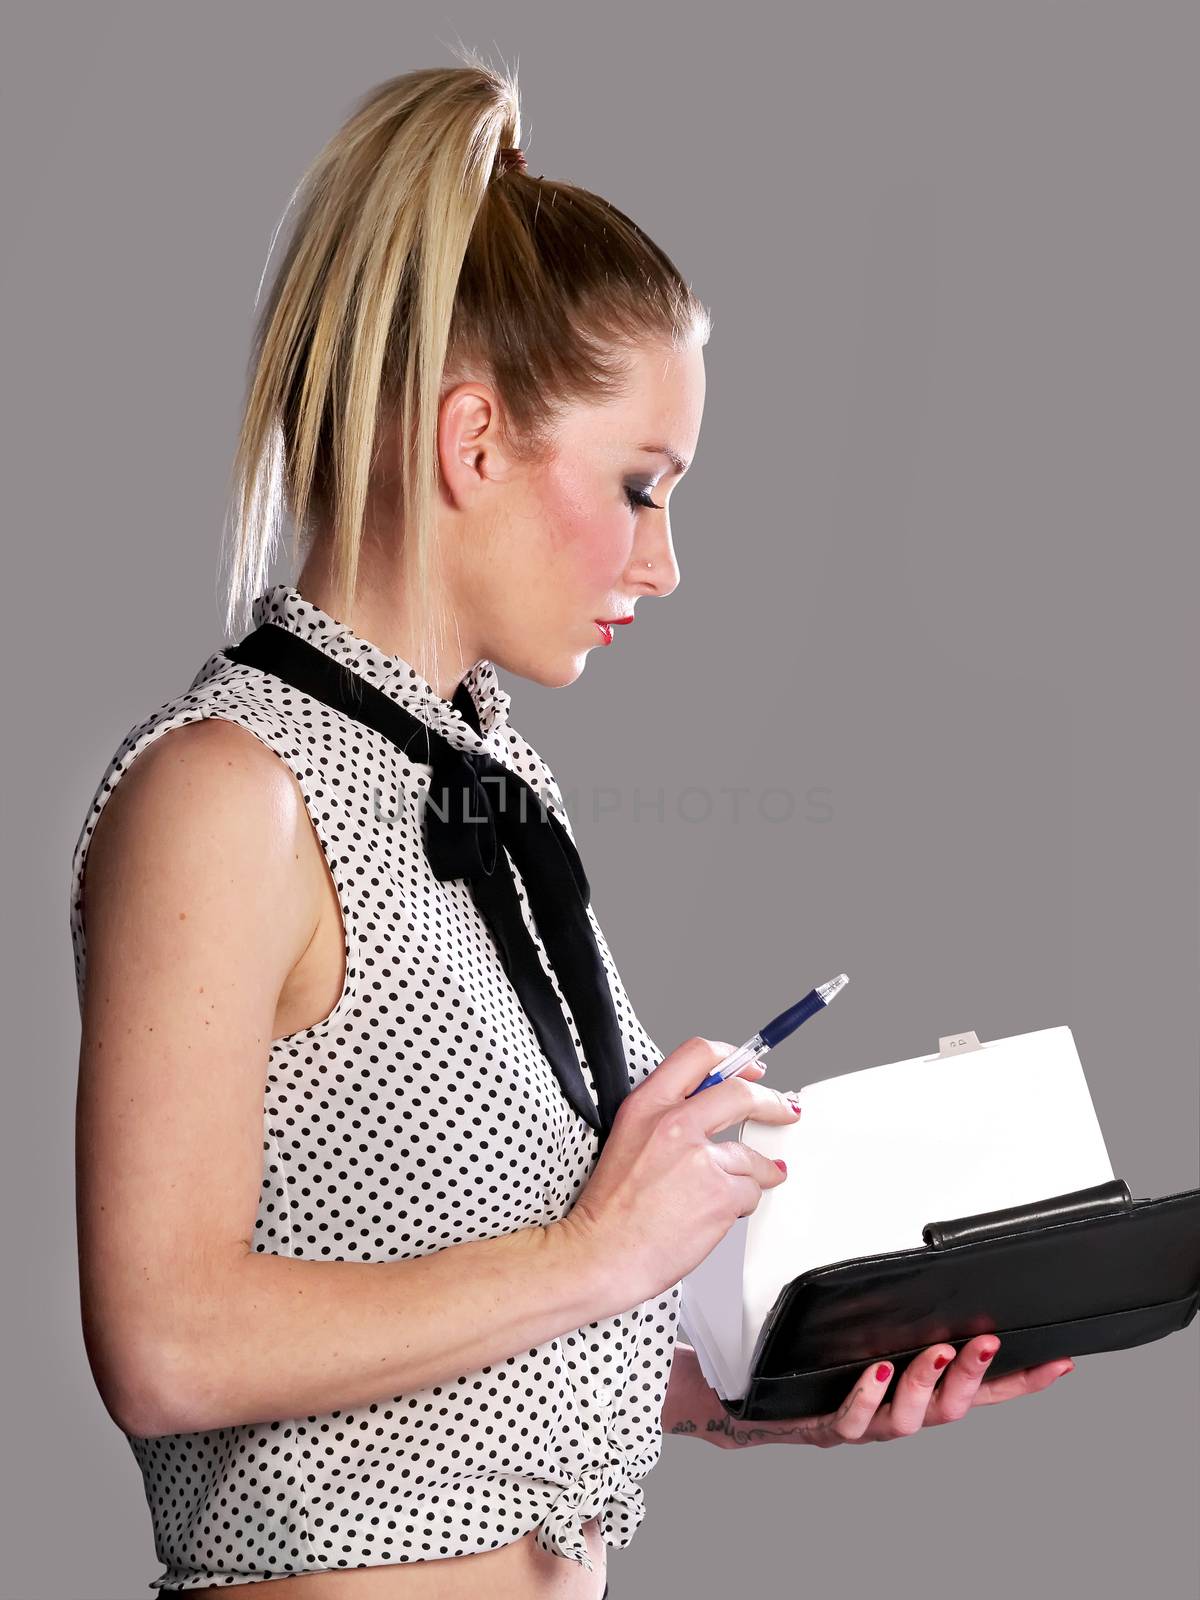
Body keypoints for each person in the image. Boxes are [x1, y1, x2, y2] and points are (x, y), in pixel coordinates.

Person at [69, 57, 1076, 1600]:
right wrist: (605, 1249)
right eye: (641, 485)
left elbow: (460, 1348)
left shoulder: (482, 785)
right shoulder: (226, 792)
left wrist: (760, 1392)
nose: (664, 564)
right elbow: (166, 1344)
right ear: (474, 444)